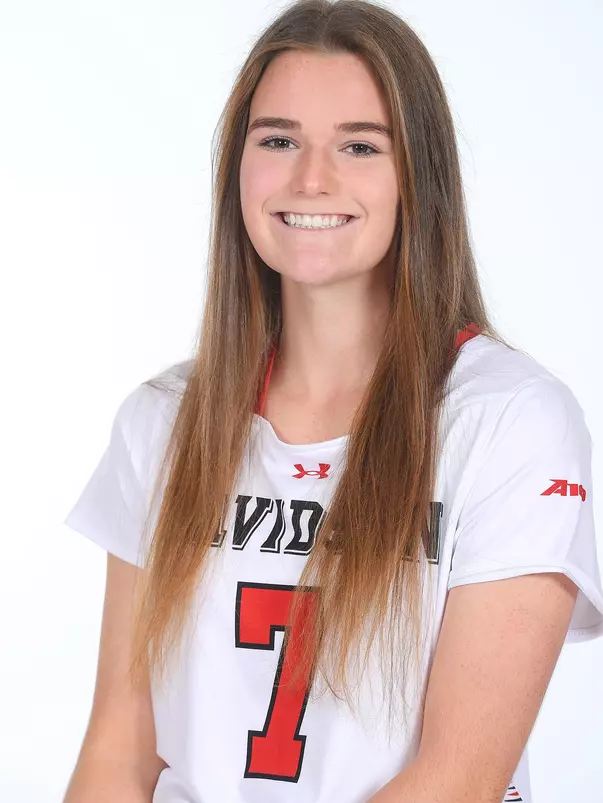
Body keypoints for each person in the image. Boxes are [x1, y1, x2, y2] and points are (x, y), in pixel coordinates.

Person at [62, 1, 603, 802]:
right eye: (277, 140)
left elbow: (457, 778)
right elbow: (118, 752)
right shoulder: (163, 420)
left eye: (358, 145)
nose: (310, 179)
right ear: (236, 169)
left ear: (417, 174)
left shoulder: (510, 419)